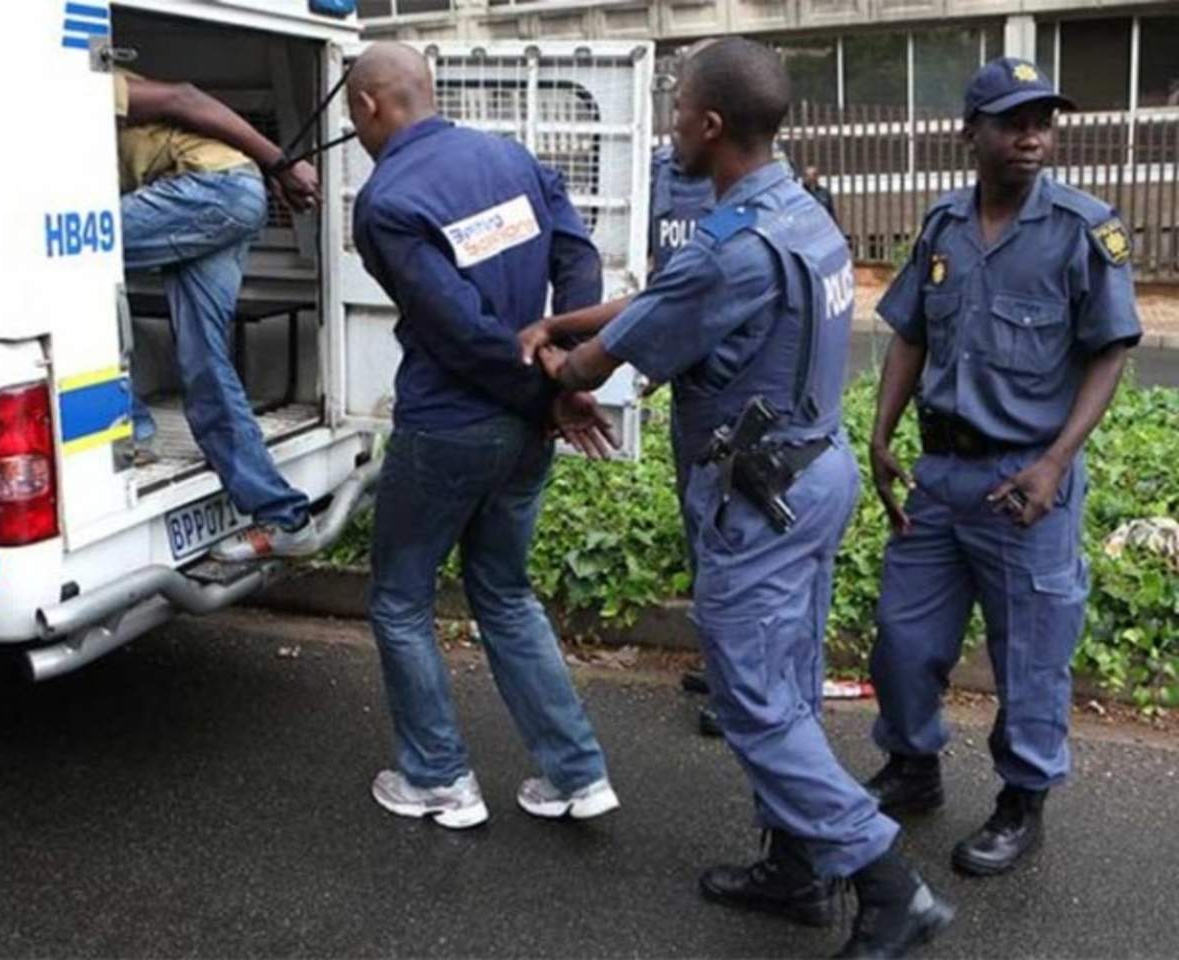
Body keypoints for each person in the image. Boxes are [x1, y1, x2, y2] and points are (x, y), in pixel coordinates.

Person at [521, 38, 952, 959]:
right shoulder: (802, 216)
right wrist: (572, 318)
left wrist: (554, 360)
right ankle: (797, 868)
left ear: (710, 124)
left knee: (752, 698)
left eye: (677, 108)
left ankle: (888, 884)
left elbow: (606, 359)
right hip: (811, 476)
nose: (671, 123)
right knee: (787, 680)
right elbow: (664, 304)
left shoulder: (730, 249)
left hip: (759, 501)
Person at [864, 57, 1141, 877]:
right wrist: (881, 435)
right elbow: (911, 332)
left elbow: (1110, 353)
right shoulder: (943, 226)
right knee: (902, 639)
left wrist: (1057, 462)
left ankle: (1022, 802)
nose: (1031, 137)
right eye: (1013, 122)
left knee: (1030, 655)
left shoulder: (1083, 230)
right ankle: (912, 766)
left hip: (1025, 485)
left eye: (1042, 122)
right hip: (940, 478)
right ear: (971, 133)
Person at [345, 42, 620, 830]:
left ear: (368, 106)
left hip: (449, 426)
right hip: (526, 430)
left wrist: (553, 390)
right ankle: (577, 776)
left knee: (401, 598)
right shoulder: (511, 158)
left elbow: (460, 332)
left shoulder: (387, 202)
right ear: (426, 88)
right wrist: (566, 372)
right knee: (502, 591)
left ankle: (437, 779)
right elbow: (576, 254)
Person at [113, 70, 323, 561]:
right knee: (204, 360)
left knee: (69, 259)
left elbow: (184, 97)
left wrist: (281, 163)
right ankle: (285, 517)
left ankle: (132, 428)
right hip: (227, 190)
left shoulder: (87, 79)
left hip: (209, 188)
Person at [650, 57, 724, 739]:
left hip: (733, 398)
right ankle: (720, 659)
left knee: (734, 542)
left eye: (681, 111)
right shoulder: (656, 176)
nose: (673, 125)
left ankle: (741, 685)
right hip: (688, 385)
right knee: (701, 527)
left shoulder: (750, 199)